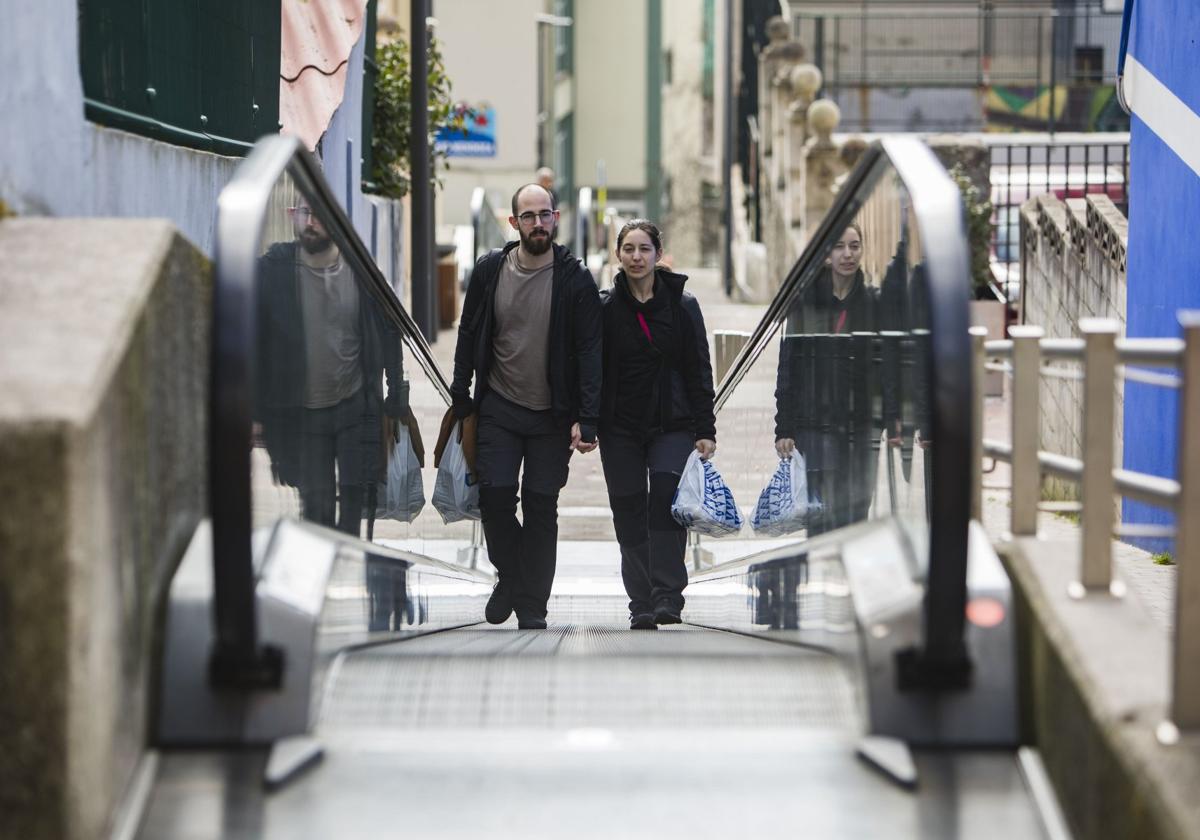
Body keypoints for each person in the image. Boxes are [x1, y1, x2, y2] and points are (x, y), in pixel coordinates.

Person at [450, 183, 602, 630]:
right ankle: (512, 578)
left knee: (541, 505)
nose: (538, 223)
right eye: (529, 216)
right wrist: (461, 391)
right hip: (499, 405)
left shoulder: (575, 279)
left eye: (545, 215)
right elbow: (468, 330)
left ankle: (532, 604)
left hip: (552, 414)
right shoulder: (490, 271)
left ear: (556, 219)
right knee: (494, 499)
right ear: (513, 223)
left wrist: (587, 417)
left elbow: (591, 350)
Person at [255, 199, 407, 536]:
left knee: (355, 501)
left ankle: (344, 573)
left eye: (319, 215)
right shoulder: (275, 268)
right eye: (303, 213)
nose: (310, 222)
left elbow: (389, 329)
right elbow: (256, 339)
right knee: (316, 507)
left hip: (355, 405)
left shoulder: (361, 270)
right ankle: (321, 577)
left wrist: (397, 393)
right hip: (303, 411)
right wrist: (255, 411)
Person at [598, 220, 716, 630]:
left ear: (657, 253)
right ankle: (641, 601)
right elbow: (593, 371)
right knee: (628, 509)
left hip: (672, 423)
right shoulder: (606, 309)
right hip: (621, 428)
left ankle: (668, 595)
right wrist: (586, 421)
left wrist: (705, 428)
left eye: (644, 249)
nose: (636, 257)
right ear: (618, 255)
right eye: (628, 249)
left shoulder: (683, 305)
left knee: (666, 505)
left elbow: (699, 368)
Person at [774, 221, 881, 534]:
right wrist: (785, 427)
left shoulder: (872, 302)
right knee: (821, 515)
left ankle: (849, 579)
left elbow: (882, 364)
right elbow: (788, 368)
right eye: (838, 246)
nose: (847, 254)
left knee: (857, 509)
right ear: (825, 254)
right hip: (815, 425)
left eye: (854, 246)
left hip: (859, 426)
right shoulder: (805, 303)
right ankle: (821, 578)